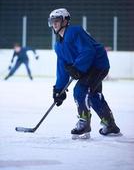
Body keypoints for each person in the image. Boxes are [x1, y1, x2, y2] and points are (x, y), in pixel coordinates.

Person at [48, 8, 120, 139]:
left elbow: (88, 51)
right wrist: (59, 89)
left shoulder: (75, 31)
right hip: (86, 69)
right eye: (52, 21)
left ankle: (84, 123)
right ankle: (110, 125)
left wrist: (78, 68)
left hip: (98, 65)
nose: (55, 24)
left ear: (65, 21)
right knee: (93, 95)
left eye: (57, 20)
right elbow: (62, 68)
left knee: (80, 90)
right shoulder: (58, 45)